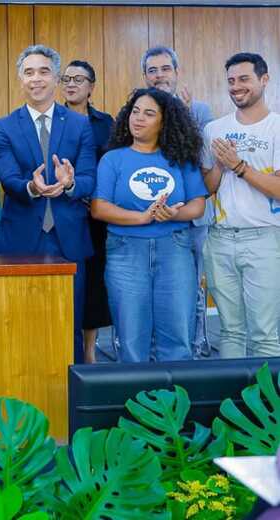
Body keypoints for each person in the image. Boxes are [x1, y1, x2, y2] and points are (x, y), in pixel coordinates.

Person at [0, 45, 96, 364]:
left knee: (69, 326)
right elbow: (8, 178)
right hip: (20, 241)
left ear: (56, 79)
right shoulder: (4, 126)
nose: (36, 79)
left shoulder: (80, 125)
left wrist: (71, 184)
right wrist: (31, 187)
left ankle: (72, 400)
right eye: (29, 72)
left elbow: (91, 179)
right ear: (20, 79)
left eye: (44, 71)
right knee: (19, 324)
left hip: (69, 241)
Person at [91, 88, 207, 363]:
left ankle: (175, 404)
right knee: (131, 341)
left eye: (149, 113)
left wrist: (172, 215)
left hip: (175, 249)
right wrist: (142, 218)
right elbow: (99, 207)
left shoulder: (181, 158)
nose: (138, 118)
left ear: (164, 122)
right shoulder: (113, 159)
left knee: (178, 338)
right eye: (135, 111)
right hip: (125, 252)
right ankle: (134, 404)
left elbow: (197, 205)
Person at [200, 53, 280, 359]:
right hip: (219, 239)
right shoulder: (214, 130)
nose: (236, 86)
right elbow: (207, 188)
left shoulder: (276, 128)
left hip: (265, 239)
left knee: (264, 333)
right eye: (231, 80)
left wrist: (239, 166)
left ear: (264, 79)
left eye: (244, 79)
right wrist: (220, 166)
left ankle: (268, 406)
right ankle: (230, 406)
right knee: (230, 330)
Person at [141, 45, 214, 357]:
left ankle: (195, 347)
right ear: (145, 76)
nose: (159, 75)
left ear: (176, 72)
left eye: (165, 69)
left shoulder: (199, 111)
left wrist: (182, 117)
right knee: (158, 288)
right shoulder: (140, 111)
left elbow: (200, 161)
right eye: (152, 70)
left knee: (193, 288)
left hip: (193, 218)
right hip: (154, 219)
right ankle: (156, 350)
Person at [61, 59, 115, 364]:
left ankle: (90, 352)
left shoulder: (106, 124)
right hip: (58, 211)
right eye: (66, 79)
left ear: (91, 87)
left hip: (94, 217)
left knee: (92, 283)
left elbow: (111, 169)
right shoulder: (51, 118)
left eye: (79, 79)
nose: (71, 84)